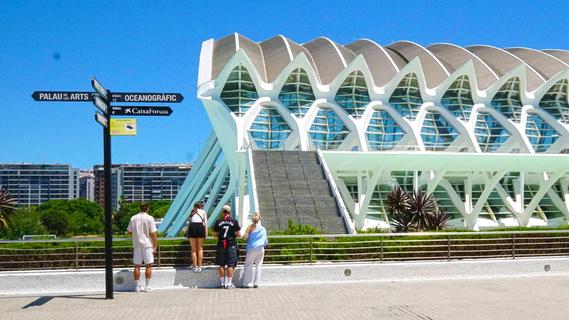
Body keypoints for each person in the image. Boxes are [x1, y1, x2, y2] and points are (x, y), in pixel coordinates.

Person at [127, 203, 158, 292]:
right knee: (148, 265)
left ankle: (137, 287)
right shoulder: (149, 218)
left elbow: (129, 231)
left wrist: (136, 235)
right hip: (147, 244)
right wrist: (155, 244)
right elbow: (153, 233)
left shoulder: (133, 218)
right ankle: (147, 286)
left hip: (136, 244)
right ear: (148, 209)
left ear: (139, 208)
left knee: (137, 265)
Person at [213, 205, 241, 289]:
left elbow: (214, 235)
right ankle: (229, 283)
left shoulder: (218, 221)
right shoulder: (234, 221)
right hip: (231, 244)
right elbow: (239, 234)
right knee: (231, 264)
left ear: (222, 211)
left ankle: (222, 283)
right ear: (229, 212)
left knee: (221, 264)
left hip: (221, 244)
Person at [242, 212, 268, 288]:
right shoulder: (263, 229)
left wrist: (245, 234)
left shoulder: (250, 227)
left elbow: (245, 237)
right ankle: (257, 283)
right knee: (259, 265)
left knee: (248, 265)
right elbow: (266, 241)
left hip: (252, 248)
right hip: (261, 248)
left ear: (252, 219)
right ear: (259, 219)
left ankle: (247, 283)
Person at [187, 201, 207, 272]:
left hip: (192, 227)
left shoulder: (192, 212)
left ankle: (195, 267)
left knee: (193, 249)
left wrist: (187, 232)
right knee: (200, 248)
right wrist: (206, 233)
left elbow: (189, 222)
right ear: (201, 206)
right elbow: (205, 223)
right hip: (200, 227)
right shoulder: (203, 212)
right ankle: (200, 266)